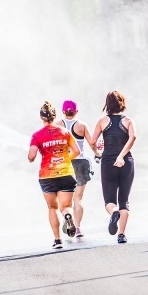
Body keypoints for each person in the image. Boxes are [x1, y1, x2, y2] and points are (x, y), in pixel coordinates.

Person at [28, 101, 81, 249]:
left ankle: (58, 240)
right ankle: (68, 216)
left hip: (47, 175)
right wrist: (64, 159)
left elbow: (31, 156)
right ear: (55, 116)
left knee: (52, 207)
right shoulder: (65, 132)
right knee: (66, 206)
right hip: (66, 173)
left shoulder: (37, 135)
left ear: (41, 117)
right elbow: (76, 151)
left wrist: (32, 156)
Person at [91, 91, 136, 244]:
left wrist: (98, 152)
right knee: (124, 200)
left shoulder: (102, 121)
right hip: (126, 162)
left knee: (109, 200)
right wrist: (122, 156)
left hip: (108, 162)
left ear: (107, 105)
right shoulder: (129, 121)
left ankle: (113, 212)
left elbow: (92, 141)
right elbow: (133, 137)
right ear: (122, 103)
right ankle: (121, 235)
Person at [56, 100, 101, 238]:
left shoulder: (57, 125)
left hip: (65, 163)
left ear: (63, 111)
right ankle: (78, 228)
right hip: (81, 162)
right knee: (78, 199)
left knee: (64, 199)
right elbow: (92, 143)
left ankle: (67, 216)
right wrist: (97, 154)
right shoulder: (81, 125)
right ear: (76, 111)